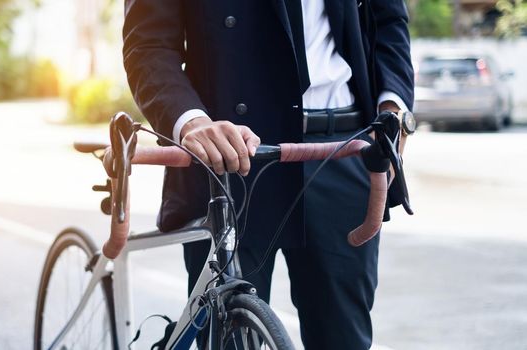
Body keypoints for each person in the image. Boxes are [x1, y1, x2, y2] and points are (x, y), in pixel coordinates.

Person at [122, 0, 414, 348]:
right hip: (232, 154)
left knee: (344, 339)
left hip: (342, 147)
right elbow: (149, 44)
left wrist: (393, 107)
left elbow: (388, 18)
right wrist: (192, 121)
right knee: (230, 339)